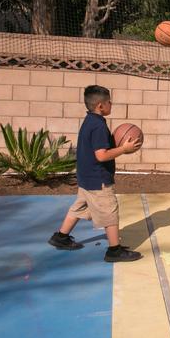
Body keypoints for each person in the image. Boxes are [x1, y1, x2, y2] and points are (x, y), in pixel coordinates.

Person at [48, 85, 142, 262]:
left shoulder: (90, 120)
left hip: (86, 176)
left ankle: (60, 237)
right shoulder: (98, 125)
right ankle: (114, 251)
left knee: (79, 207)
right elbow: (101, 155)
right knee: (110, 210)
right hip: (98, 179)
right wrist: (123, 148)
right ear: (100, 105)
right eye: (108, 102)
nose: (111, 104)